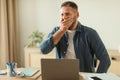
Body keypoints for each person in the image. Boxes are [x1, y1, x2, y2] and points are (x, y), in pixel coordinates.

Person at [40, 1, 111, 73]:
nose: (64, 17)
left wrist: (96, 77)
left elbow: (105, 59)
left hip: (82, 75)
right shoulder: (56, 31)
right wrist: (61, 31)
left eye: (67, 14)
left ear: (77, 14)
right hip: (61, 74)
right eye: (62, 14)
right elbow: (43, 50)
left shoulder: (90, 33)